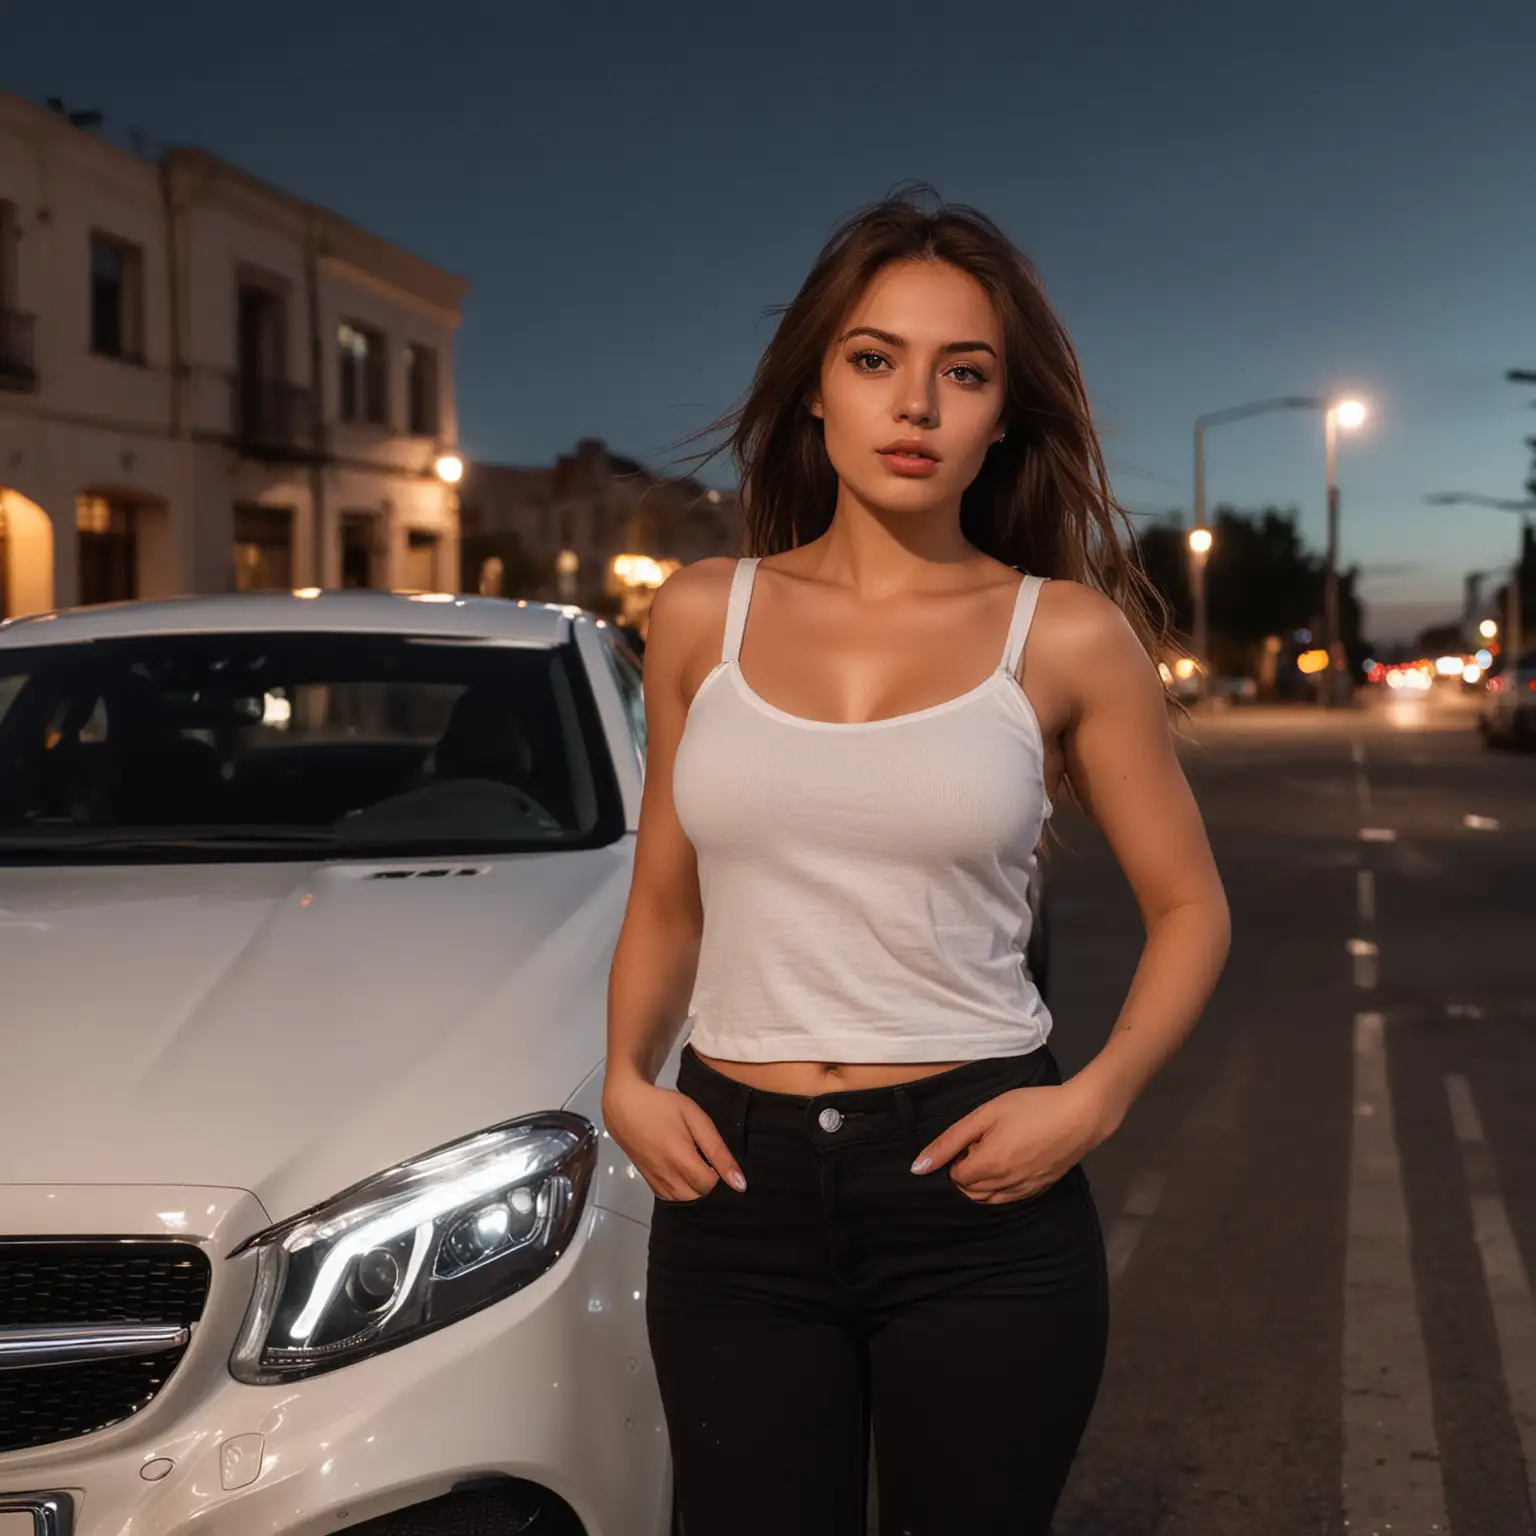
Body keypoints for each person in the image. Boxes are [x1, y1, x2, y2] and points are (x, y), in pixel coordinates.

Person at [602, 187, 1230, 1536]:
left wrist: (1098, 1099)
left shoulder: (1061, 636)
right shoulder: (703, 615)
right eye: (875, 360)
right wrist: (623, 1081)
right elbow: (665, 900)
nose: (917, 406)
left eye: (964, 373)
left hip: (978, 1194)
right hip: (736, 1193)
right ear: (815, 390)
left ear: (1003, 416)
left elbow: (1190, 908)